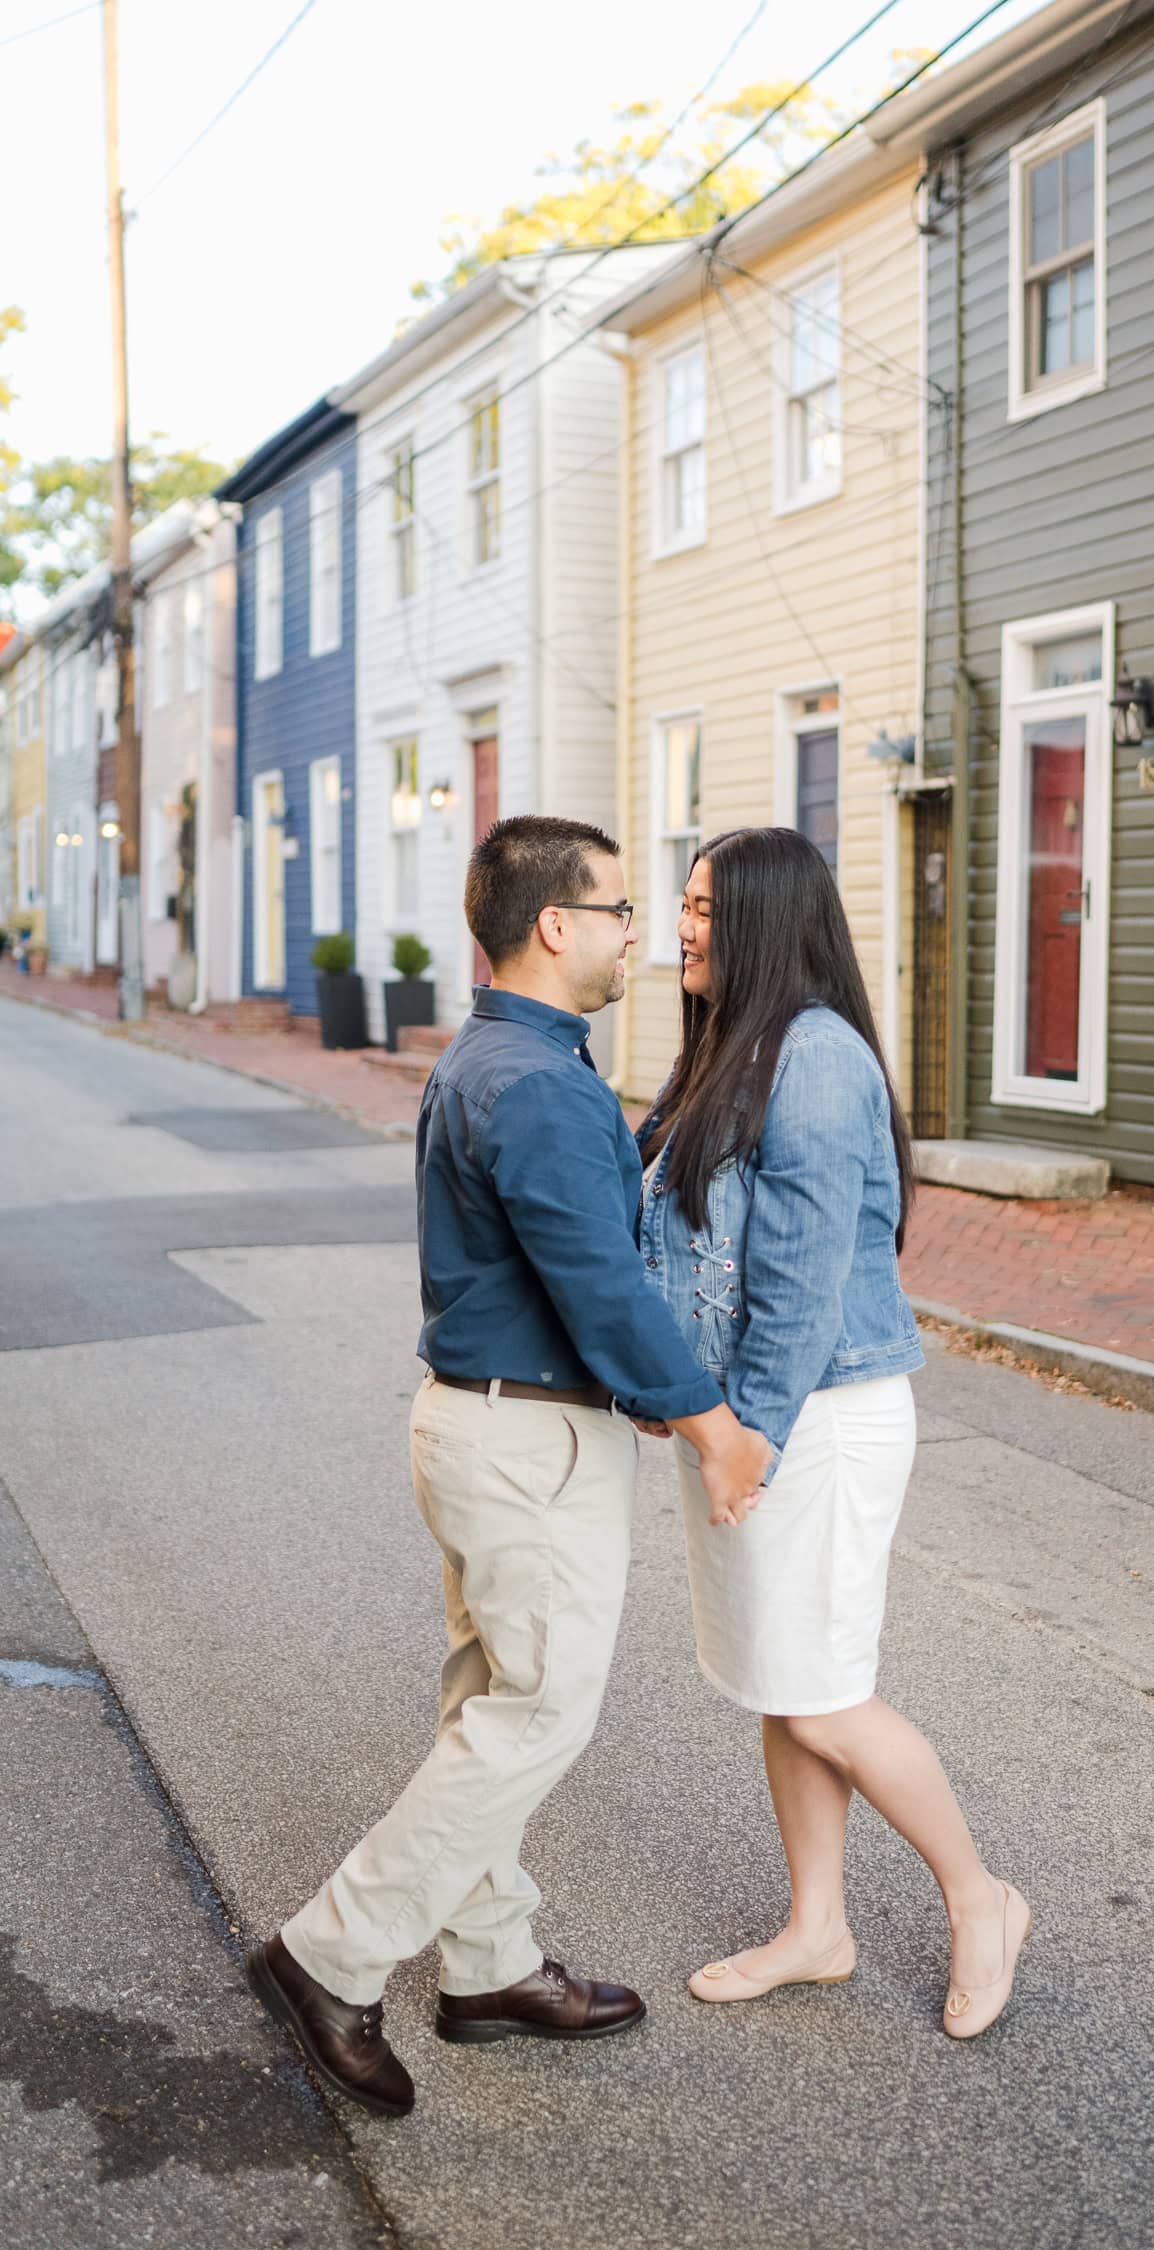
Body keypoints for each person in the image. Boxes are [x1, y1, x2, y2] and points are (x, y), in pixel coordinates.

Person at [249, 816, 770, 2117]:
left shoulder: (497, 1055)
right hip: (528, 1436)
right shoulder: (536, 1084)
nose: (636, 933)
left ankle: (488, 1964)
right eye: (617, 910)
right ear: (555, 925)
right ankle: (330, 1954)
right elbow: (596, 1283)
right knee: (538, 1710)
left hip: (492, 1422)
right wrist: (711, 1422)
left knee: (492, 1693)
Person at [637, 827, 1030, 2040]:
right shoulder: (731, 1049)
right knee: (782, 1678)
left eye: (703, 907)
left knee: (824, 1694)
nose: (682, 925)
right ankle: (819, 1928)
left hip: (818, 1414)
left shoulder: (811, 1059)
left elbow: (801, 1284)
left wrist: (740, 1437)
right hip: (764, 1415)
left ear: (760, 921)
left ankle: (982, 1897)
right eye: (683, 900)